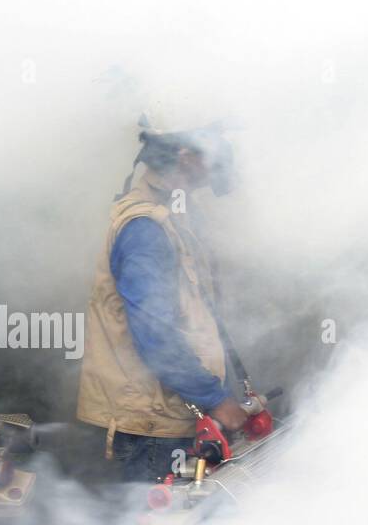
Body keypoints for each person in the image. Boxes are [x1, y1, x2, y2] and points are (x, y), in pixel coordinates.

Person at [77, 101, 264, 486]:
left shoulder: (174, 214)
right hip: (154, 431)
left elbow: (196, 314)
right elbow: (155, 334)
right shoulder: (145, 228)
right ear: (184, 153)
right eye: (210, 150)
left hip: (171, 418)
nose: (215, 164)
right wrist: (216, 399)